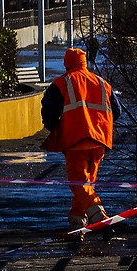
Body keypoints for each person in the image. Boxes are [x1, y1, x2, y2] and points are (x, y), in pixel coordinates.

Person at [42, 47, 116, 234]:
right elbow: (118, 111)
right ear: (84, 62)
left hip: (76, 140)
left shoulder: (62, 83)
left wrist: (56, 129)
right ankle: (77, 225)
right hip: (99, 140)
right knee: (86, 184)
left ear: (66, 64)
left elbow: (48, 111)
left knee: (79, 183)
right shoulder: (102, 82)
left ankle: (101, 220)